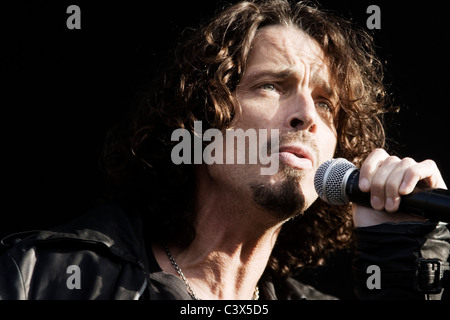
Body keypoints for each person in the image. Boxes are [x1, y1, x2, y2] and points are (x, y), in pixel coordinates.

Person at [0, 0, 449, 300]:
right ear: (200, 117)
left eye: (326, 103)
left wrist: (398, 266)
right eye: (272, 86)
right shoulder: (45, 277)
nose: (307, 116)